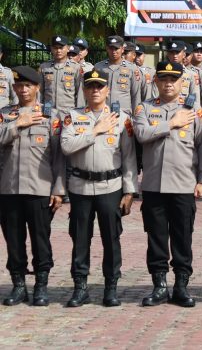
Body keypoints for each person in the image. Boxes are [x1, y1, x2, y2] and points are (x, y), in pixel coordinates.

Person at [134, 61, 202, 308]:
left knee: (182, 237)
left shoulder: (193, 111)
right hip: (154, 186)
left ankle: (181, 286)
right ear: (156, 82)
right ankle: (159, 286)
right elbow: (142, 134)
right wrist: (172, 123)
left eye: (173, 80)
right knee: (156, 237)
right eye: (163, 79)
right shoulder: (144, 108)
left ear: (181, 82)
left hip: (183, 185)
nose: (168, 84)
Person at [60, 68, 137, 307]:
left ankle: (111, 287)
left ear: (107, 90)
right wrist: (95, 131)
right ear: (83, 90)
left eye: (99, 86)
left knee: (111, 239)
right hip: (80, 187)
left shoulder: (121, 118)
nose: (95, 90)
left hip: (110, 186)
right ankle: (80, 287)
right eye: (90, 86)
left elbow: (129, 157)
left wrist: (129, 190)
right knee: (80, 239)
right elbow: (67, 146)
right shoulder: (72, 116)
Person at [0, 66, 64, 306]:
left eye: (28, 85)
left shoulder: (51, 116)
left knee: (40, 239)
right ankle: (18, 286)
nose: (23, 89)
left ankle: (41, 285)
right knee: (13, 240)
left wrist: (58, 189)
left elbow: (59, 156)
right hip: (8, 188)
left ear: (37, 88)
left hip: (40, 189)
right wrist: (17, 124)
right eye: (19, 85)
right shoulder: (5, 114)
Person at [93, 35, 143, 116]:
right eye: (111, 48)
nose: (113, 51)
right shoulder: (98, 67)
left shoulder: (132, 68)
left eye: (116, 48)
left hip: (124, 114)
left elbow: (136, 95)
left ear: (122, 49)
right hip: (102, 113)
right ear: (107, 48)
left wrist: (136, 117)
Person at [39, 35, 83, 113]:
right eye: (55, 48)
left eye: (61, 48)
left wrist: (79, 111)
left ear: (67, 48)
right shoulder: (44, 67)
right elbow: (39, 91)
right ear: (51, 49)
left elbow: (80, 92)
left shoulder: (76, 68)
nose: (58, 50)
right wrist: (38, 108)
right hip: (48, 111)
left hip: (68, 112)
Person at [0, 44, 19, 109]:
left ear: (1, 55)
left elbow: (14, 92)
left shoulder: (7, 72)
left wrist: (15, 107)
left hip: (3, 111)